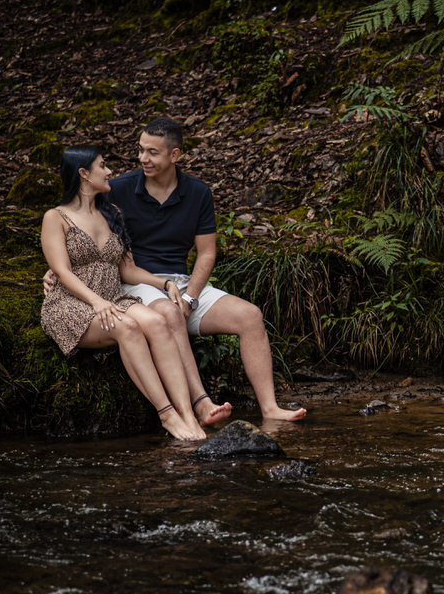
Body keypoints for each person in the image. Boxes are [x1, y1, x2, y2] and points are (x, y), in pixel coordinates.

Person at [46, 117, 305, 423]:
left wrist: (191, 297)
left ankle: (270, 409)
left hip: (180, 283)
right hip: (136, 284)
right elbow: (78, 224)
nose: (143, 158)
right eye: (141, 150)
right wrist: (56, 270)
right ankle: (201, 403)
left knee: (251, 316)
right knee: (170, 312)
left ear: (175, 155)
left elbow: (206, 253)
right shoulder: (118, 189)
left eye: (152, 152)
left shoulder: (197, 192)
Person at [40, 145, 209, 441]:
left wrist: (164, 284)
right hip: (72, 303)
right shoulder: (56, 217)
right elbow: (62, 271)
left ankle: (188, 415)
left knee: (158, 322)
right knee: (128, 327)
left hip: (112, 297)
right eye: (103, 166)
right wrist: (96, 302)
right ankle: (167, 415)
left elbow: (128, 271)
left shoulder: (112, 213)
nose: (109, 172)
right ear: (83, 174)